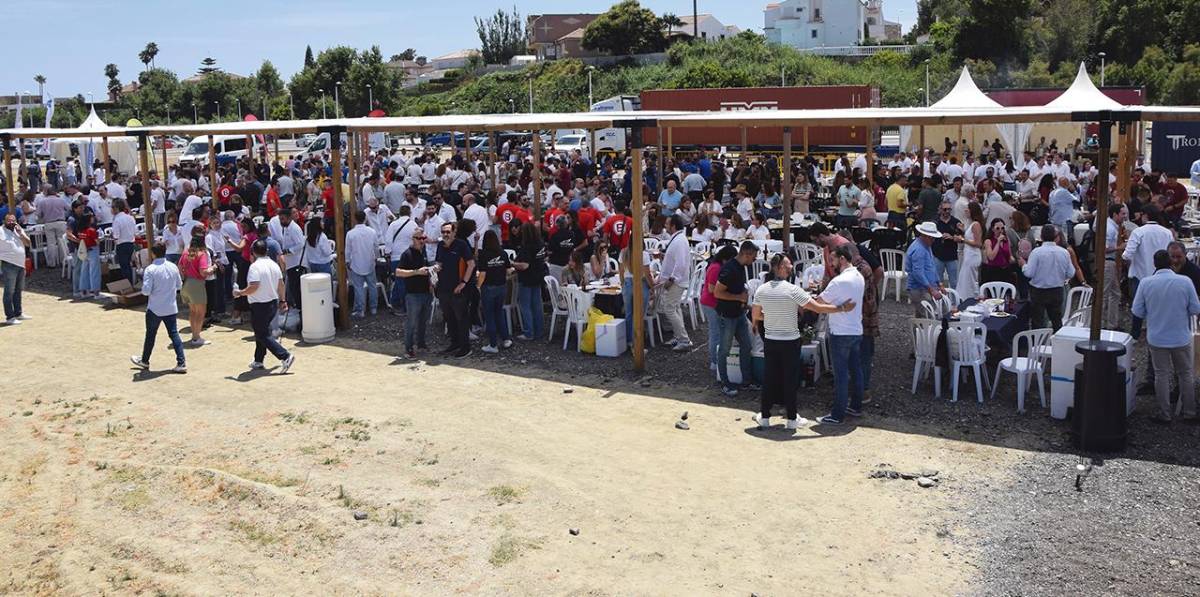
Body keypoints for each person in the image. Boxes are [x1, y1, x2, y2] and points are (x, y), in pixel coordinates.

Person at [751, 254, 853, 430]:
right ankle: (791, 418)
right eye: (789, 264)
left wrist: (773, 316)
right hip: (790, 341)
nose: (791, 267)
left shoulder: (762, 290)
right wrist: (842, 308)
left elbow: (756, 316)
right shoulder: (792, 290)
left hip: (771, 340)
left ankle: (765, 416)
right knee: (790, 379)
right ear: (781, 268)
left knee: (770, 378)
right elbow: (817, 307)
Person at [1132, 250, 1200, 424]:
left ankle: (1164, 413)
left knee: (1161, 375)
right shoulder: (1185, 282)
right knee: (1185, 374)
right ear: (1170, 262)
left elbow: (1137, 311)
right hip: (1180, 336)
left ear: (1154, 264)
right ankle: (1190, 412)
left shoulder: (1146, 283)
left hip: (1157, 336)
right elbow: (1195, 309)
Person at [817, 244, 867, 425]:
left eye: (833, 260)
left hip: (840, 332)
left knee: (840, 374)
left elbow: (820, 302)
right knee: (856, 370)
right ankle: (855, 406)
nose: (831, 264)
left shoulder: (838, 281)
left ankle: (837, 414)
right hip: (856, 329)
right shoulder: (858, 276)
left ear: (842, 259)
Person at [233, 240, 295, 373]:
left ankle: (285, 356)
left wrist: (240, 293)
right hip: (272, 303)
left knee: (262, 334)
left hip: (260, 304)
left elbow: (254, 286)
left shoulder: (255, 267)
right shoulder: (273, 264)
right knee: (261, 332)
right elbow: (281, 284)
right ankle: (258, 360)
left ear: (253, 252)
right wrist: (283, 300)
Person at [129, 243, 187, 374]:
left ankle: (145, 360)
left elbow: (146, 291)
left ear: (153, 253)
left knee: (150, 335)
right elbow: (179, 285)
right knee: (174, 334)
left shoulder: (150, 269)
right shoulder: (173, 267)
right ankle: (181, 362)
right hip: (170, 307)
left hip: (155, 308)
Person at [712, 242, 758, 397]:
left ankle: (746, 380)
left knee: (746, 346)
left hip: (738, 314)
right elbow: (718, 293)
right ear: (747, 254)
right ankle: (724, 382)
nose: (754, 260)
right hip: (727, 315)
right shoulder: (729, 269)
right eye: (754, 257)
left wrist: (744, 301)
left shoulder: (740, 267)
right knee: (724, 349)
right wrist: (739, 297)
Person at [1123, 206, 1174, 339]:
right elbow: (1172, 251)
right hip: (1161, 274)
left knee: (1138, 306)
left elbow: (1127, 255)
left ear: (1145, 215)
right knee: (1159, 306)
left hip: (1140, 275)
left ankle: (1135, 334)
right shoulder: (1166, 232)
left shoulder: (1138, 232)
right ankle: (1157, 331)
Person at [1018, 225, 1076, 331]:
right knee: (1057, 321)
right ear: (1056, 237)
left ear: (1041, 236)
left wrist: (1023, 265)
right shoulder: (1064, 252)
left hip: (1038, 291)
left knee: (1038, 322)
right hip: (1057, 290)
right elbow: (1071, 273)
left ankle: (1037, 345)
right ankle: (1056, 343)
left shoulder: (1036, 252)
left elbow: (1029, 273)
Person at [435, 221, 475, 357]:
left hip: (458, 290)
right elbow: (439, 262)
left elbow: (471, 264)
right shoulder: (440, 245)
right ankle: (455, 343)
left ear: (454, 232)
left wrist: (464, 282)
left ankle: (466, 347)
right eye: (443, 232)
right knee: (449, 318)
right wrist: (434, 270)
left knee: (461, 319)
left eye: (448, 232)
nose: (445, 234)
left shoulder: (461, 245)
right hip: (443, 288)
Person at [395, 230, 434, 359]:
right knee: (411, 322)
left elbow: (426, 269)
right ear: (413, 239)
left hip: (426, 292)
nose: (421, 241)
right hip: (413, 294)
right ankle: (409, 347)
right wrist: (416, 272)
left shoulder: (423, 252)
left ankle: (421, 344)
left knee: (423, 321)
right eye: (419, 238)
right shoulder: (407, 254)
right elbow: (399, 272)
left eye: (423, 238)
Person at [657, 215, 692, 351]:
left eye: (667, 223)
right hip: (675, 279)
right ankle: (679, 337)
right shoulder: (678, 239)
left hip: (676, 281)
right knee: (674, 308)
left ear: (673, 226)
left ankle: (684, 339)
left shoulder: (679, 241)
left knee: (669, 308)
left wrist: (672, 279)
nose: (665, 226)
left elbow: (681, 264)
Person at [476, 230, 513, 354]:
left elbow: (482, 274)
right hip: (502, 286)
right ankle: (506, 339)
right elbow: (509, 271)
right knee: (499, 313)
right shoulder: (503, 253)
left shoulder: (484, 254)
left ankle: (493, 344)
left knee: (489, 315)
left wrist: (478, 286)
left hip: (488, 287)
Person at [513, 223, 548, 341]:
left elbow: (524, 266)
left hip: (527, 278)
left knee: (525, 306)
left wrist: (512, 263)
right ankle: (539, 330)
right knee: (537, 305)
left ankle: (529, 332)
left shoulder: (527, 247)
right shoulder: (540, 244)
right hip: (538, 277)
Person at [178, 235, 213, 346]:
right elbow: (203, 272)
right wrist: (213, 268)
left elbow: (179, 266)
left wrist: (184, 275)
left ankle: (195, 335)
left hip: (187, 283)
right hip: (197, 284)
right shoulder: (201, 254)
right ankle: (196, 337)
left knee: (193, 312)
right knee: (200, 313)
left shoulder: (185, 253)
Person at [346, 211, 380, 318]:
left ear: (355, 219)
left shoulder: (350, 234)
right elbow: (376, 247)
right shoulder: (372, 232)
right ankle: (373, 308)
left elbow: (348, 250)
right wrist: (377, 257)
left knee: (358, 287)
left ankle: (361, 310)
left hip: (356, 263)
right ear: (365, 218)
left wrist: (347, 261)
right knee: (372, 286)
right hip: (370, 262)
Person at [905, 222, 943, 315]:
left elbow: (932, 266)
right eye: (932, 237)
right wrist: (932, 289)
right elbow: (918, 273)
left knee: (922, 316)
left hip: (923, 288)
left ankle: (917, 329)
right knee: (928, 316)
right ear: (925, 236)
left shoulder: (925, 246)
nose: (933, 240)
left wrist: (939, 283)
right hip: (919, 289)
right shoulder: (919, 250)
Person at [0, 213, 31, 324]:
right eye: (9, 220)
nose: (11, 222)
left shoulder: (18, 230)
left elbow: (28, 243)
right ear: (4, 221)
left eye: (13, 220)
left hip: (20, 264)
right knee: (9, 291)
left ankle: (18, 313)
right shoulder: (1, 231)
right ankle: (10, 317)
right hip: (9, 264)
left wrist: (20, 234)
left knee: (18, 290)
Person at [1102, 205, 1129, 329]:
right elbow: (1104, 248)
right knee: (1104, 294)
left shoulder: (1113, 227)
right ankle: (1098, 324)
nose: (1125, 216)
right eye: (1122, 214)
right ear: (1115, 214)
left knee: (1115, 293)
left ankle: (1112, 324)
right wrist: (1120, 247)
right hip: (1107, 262)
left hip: (1110, 262)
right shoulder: (1110, 229)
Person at [957, 202, 985, 299]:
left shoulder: (976, 225)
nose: (965, 210)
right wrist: (964, 231)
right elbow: (971, 237)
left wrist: (962, 239)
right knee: (965, 279)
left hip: (973, 256)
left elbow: (978, 243)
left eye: (967, 209)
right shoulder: (972, 224)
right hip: (969, 255)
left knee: (970, 280)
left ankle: (971, 298)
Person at [932, 201, 961, 289]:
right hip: (938, 255)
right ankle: (939, 301)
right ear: (940, 210)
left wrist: (952, 237)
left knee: (954, 282)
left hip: (951, 256)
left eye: (949, 209)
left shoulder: (956, 222)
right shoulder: (935, 222)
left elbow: (962, 239)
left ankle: (953, 301)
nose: (947, 211)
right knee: (937, 281)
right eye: (945, 209)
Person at [981, 218, 1017, 286]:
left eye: (1002, 228)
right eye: (997, 228)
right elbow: (991, 257)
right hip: (993, 270)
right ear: (992, 229)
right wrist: (998, 242)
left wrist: (1013, 259)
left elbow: (1009, 255)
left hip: (1005, 270)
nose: (1000, 230)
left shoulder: (1006, 240)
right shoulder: (988, 241)